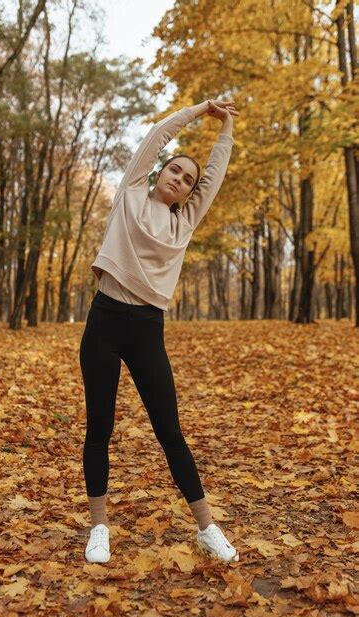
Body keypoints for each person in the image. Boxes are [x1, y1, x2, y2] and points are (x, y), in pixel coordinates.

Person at [79, 98, 240, 564]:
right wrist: (200, 111)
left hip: (148, 330)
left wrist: (226, 129)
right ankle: (99, 528)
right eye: (175, 170)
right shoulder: (131, 190)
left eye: (188, 179)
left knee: (170, 431)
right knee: (99, 429)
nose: (181, 179)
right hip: (104, 323)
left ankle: (208, 528)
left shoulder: (182, 223)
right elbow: (156, 137)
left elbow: (215, 176)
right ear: (159, 172)